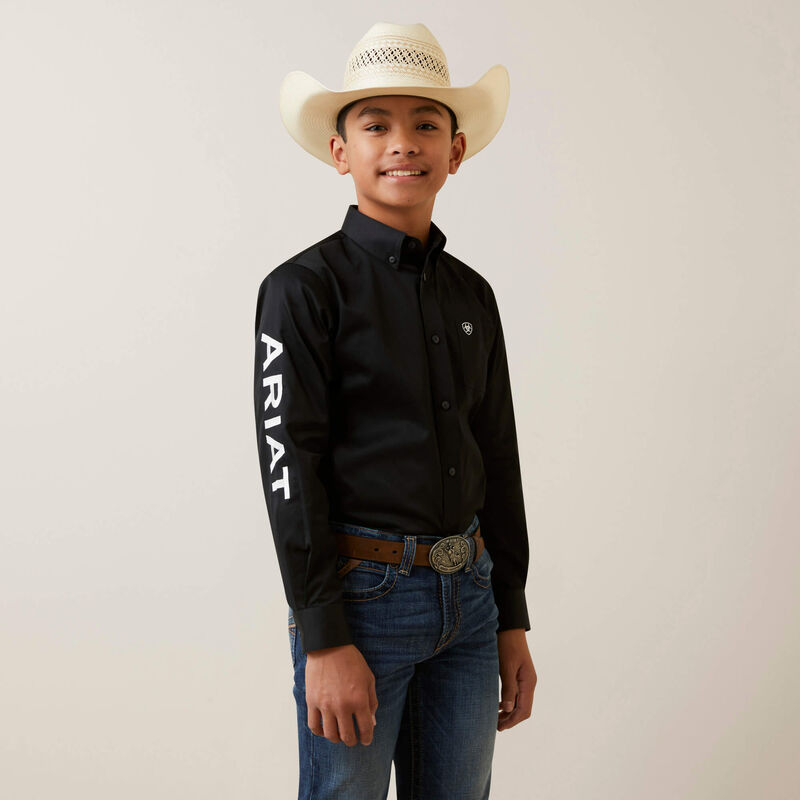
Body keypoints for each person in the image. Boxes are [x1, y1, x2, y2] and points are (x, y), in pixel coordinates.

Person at [254, 21, 537, 800]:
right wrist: (323, 638)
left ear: (457, 149)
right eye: (376, 126)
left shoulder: (472, 295)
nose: (403, 144)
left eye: (426, 125)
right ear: (341, 151)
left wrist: (510, 613)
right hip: (362, 606)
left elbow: (498, 454)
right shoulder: (302, 291)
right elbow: (289, 468)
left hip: (470, 601)